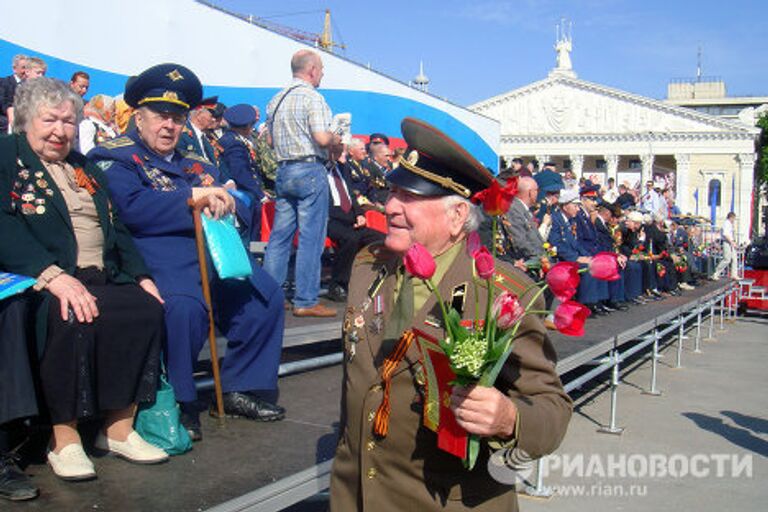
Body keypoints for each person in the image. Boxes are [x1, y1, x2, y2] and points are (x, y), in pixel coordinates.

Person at [330, 118, 571, 511]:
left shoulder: (503, 296)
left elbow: (552, 409)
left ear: (458, 215)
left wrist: (510, 418)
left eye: (409, 197)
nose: (390, 206)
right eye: (392, 190)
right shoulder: (367, 266)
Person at [89, 63, 286, 442]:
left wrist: (227, 202)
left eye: (177, 118)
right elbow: (130, 208)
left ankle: (238, 388)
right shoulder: (114, 156)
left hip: (213, 254)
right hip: (158, 256)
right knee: (184, 307)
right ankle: (180, 400)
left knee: (266, 295)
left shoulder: (196, 161)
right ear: (139, 117)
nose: (169, 126)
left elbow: (243, 204)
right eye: (161, 116)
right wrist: (190, 198)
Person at [0, 77, 168, 481]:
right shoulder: (8, 154)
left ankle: (118, 430)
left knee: (145, 309)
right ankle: (65, 438)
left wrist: (141, 275)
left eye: (69, 121)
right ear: (26, 120)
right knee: (70, 315)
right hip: (41, 276)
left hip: (99, 275)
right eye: (50, 120)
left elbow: (117, 228)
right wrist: (51, 274)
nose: (61, 131)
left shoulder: (85, 166)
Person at [264, 49, 340, 317]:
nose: (322, 75)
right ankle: (306, 300)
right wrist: (336, 137)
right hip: (309, 168)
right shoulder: (313, 97)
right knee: (311, 238)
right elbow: (321, 138)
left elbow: (270, 141)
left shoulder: (276, 100)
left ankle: (271, 296)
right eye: (321, 70)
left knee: (280, 238)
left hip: (284, 171)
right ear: (312, 71)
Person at [324, 144, 384, 302]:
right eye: (339, 150)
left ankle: (372, 280)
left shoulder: (343, 170)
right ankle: (338, 284)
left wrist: (359, 214)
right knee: (350, 239)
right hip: (330, 219)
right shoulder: (321, 170)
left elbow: (350, 194)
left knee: (381, 239)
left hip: (350, 218)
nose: (343, 154)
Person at [218, 103, 266, 242]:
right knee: (255, 205)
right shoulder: (234, 143)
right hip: (240, 190)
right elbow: (242, 173)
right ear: (246, 126)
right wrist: (260, 194)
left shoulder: (234, 139)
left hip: (246, 188)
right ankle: (250, 245)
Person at [504, 176, 545, 260]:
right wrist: (540, 259)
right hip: (526, 261)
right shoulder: (513, 209)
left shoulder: (523, 209)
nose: (538, 193)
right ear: (530, 193)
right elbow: (520, 242)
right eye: (537, 190)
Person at [0, 54, 27, 133]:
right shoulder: (3, 83)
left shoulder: (30, 87)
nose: (26, 71)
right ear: (15, 69)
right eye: (23, 67)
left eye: (28, 68)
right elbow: (3, 104)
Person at [712, 212, 738, 280]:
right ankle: (715, 273)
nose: (734, 220)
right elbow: (726, 234)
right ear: (731, 217)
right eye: (734, 219)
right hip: (727, 242)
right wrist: (731, 242)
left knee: (734, 259)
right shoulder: (726, 224)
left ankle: (734, 275)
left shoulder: (730, 224)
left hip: (731, 242)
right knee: (727, 259)